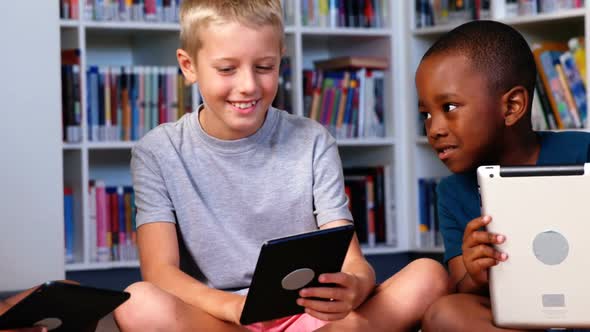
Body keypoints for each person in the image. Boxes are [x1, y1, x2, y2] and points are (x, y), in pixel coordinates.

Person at [113, 0, 449, 331]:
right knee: (137, 302)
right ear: (189, 66)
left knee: (428, 275)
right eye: (227, 69)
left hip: (310, 313)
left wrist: (355, 287)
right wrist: (232, 307)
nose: (248, 85)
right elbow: (160, 273)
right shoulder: (157, 151)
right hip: (218, 316)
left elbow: (351, 259)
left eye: (264, 67)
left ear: (280, 62)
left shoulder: (313, 140)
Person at [415, 20, 590, 331]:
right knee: (446, 313)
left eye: (450, 106)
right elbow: (462, 285)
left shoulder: (584, 151)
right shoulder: (452, 192)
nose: (435, 128)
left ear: (512, 106)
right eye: (426, 114)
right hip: (520, 319)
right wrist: (476, 272)